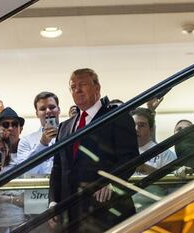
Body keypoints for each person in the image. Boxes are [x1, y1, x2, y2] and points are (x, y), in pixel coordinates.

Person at [49, 68, 138, 232]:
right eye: (73, 86)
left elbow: (130, 157)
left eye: (82, 84)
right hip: (72, 216)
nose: (77, 90)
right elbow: (58, 168)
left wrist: (111, 181)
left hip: (108, 210)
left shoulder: (117, 116)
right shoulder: (65, 126)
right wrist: (54, 201)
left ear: (97, 88)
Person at [17, 91, 60, 176]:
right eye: (43, 109)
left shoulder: (71, 134)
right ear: (37, 113)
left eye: (52, 107)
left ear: (58, 110)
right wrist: (42, 144)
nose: (48, 111)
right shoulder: (25, 141)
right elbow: (25, 172)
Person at [130, 108, 176, 175]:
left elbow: (171, 182)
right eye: (133, 125)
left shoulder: (164, 153)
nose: (136, 129)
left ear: (151, 130)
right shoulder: (121, 152)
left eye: (141, 125)